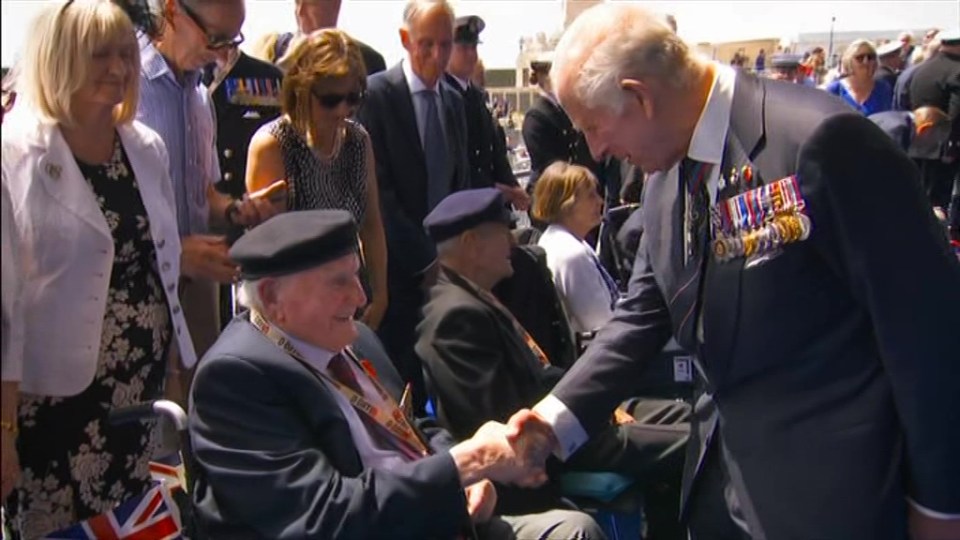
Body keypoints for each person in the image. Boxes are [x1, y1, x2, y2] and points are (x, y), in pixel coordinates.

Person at [503, 4, 960, 540]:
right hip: (723, 494)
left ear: (640, 96)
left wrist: (940, 507)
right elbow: (640, 318)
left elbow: (929, 338)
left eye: (594, 126)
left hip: (837, 503)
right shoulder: (663, 184)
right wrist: (552, 419)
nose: (597, 149)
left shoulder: (820, 142)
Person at [188, 209, 605, 540]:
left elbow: (411, 425)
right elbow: (321, 517)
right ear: (271, 298)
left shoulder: (354, 338)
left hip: (435, 519)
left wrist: (466, 475)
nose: (360, 296)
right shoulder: (236, 379)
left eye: (358, 274)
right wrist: (465, 464)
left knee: (574, 530)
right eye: (339, 283)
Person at [0, 1, 197, 536]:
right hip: (51, 404)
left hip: (135, 398)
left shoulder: (146, 147)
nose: (119, 68)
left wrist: (177, 370)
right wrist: (3, 424)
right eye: (100, 55)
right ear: (60, 60)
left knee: (135, 524)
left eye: (125, 54)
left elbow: (163, 269)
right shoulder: (14, 155)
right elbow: (5, 302)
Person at [416, 188, 689, 537]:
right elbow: (497, 416)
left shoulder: (474, 297)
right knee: (694, 440)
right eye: (504, 234)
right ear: (471, 243)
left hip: (563, 419)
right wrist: (590, 415)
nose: (513, 243)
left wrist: (598, 404)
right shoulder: (453, 317)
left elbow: (542, 376)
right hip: (548, 443)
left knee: (686, 414)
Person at [137, 0, 280, 367]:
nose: (220, 54)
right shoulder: (125, 84)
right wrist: (174, 253)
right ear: (172, 11)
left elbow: (204, 194)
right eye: (215, 38)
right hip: (137, 294)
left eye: (231, 42)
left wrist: (235, 210)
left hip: (197, 295)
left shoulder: (200, 97)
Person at [355, 0, 470, 415]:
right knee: (401, 387)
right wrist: (424, 261)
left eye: (446, 44)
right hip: (399, 275)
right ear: (405, 40)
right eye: (427, 45)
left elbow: (461, 184)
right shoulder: (378, 97)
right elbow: (378, 195)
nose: (438, 57)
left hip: (448, 273)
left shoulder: (455, 101)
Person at [246, 29, 389, 331]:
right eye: (330, 99)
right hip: (291, 313)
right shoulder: (273, 145)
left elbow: (372, 225)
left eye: (353, 98)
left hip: (347, 303)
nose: (342, 110)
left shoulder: (358, 141)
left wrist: (380, 295)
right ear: (301, 89)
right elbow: (266, 258)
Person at [444, 15, 529, 209]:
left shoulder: (475, 96)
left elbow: (495, 152)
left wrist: (513, 188)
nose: (471, 55)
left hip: (489, 206)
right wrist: (498, 190)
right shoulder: (441, 96)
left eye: (474, 47)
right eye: (463, 48)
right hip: (463, 205)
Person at [532, 162, 617, 335]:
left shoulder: (561, 239)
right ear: (566, 204)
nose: (600, 201)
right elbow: (601, 324)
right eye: (590, 196)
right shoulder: (571, 254)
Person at [251, 0, 386, 77]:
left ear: (335, 5)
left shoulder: (366, 60)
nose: (300, 11)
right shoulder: (273, 49)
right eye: (298, 2)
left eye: (312, 3)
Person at [825, 40, 893, 115]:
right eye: (860, 58)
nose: (866, 62)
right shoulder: (835, 90)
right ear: (849, 61)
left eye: (870, 57)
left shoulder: (883, 88)